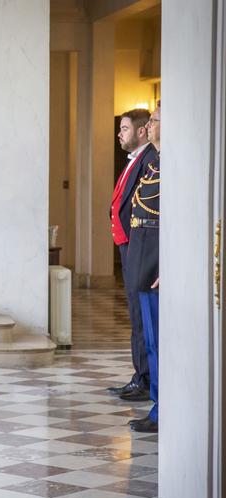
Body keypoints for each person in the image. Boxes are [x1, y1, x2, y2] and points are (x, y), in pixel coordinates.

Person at [106, 109, 157, 401]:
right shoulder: (136, 159)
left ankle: (145, 380)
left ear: (140, 131)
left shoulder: (150, 159)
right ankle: (140, 375)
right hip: (128, 246)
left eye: (124, 128)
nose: (119, 133)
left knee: (141, 315)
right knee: (135, 315)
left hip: (139, 246)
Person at [126, 103, 161, 433]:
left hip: (156, 262)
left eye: (156, 120)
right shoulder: (154, 166)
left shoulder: (168, 165)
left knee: (159, 340)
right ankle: (156, 404)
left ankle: (161, 408)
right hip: (143, 257)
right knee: (150, 338)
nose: (149, 125)